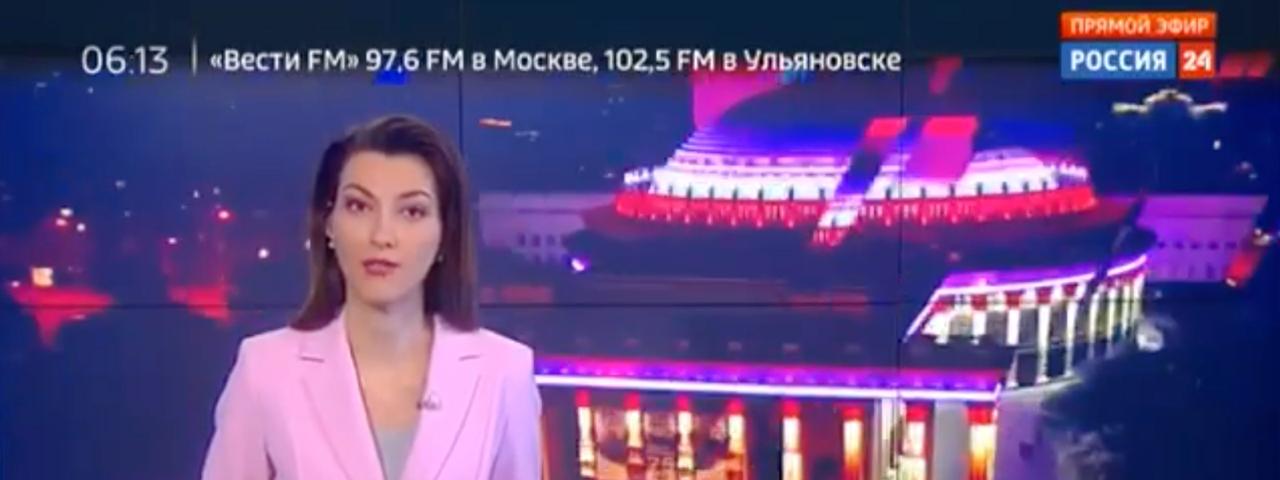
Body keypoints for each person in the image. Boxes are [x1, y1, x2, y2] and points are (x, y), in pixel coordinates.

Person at [201, 115, 542, 479]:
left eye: (412, 211)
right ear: (328, 224)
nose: (381, 235)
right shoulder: (265, 369)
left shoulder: (504, 372)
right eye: (359, 207)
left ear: (446, 234)